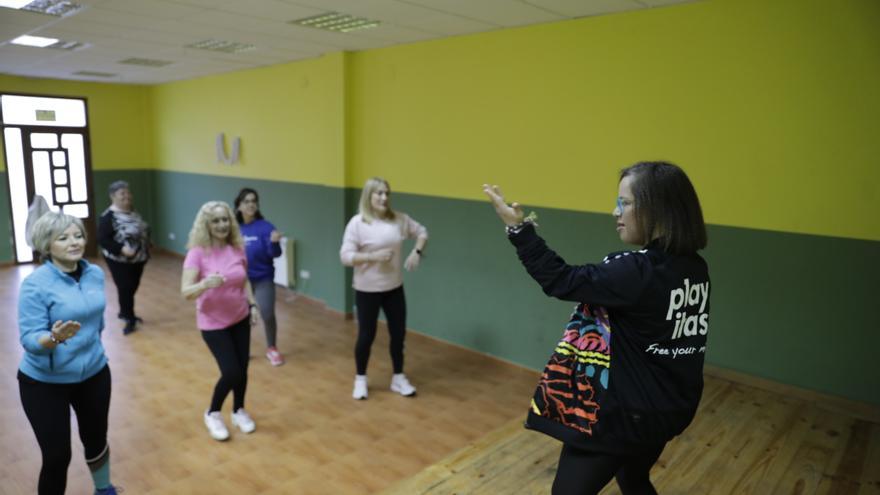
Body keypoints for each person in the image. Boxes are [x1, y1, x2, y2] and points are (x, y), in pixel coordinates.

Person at [483, 161, 710, 495]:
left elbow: (561, 280)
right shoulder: (695, 267)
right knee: (633, 479)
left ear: (657, 208)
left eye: (625, 202)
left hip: (627, 418)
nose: (615, 211)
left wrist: (518, 229)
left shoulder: (637, 272)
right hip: (670, 409)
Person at [17, 212, 119, 495]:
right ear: (47, 246)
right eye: (63, 238)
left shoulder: (94, 273)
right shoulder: (35, 285)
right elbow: (29, 339)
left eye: (78, 235)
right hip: (45, 383)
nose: (74, 242)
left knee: (96, 440)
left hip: (95, 374)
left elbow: (97, 321)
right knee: (57, 456)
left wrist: (92, 348)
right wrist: (53, 338)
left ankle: (104, 490)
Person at [340, 177, 428, 400]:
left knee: (398, 335)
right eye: (379, 193)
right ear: (369, 196)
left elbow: (422, 232)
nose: (384, 197)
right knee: (366, 336)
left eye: (387, 193)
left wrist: (416, 252)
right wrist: (372, 256)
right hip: (367, 290)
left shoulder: (399, 220)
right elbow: (345, 256)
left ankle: (398, 377)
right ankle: (360, 378)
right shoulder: (358, 223)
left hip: (394, 288)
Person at [181, 201, 259, 441]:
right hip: (213, 322)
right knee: (231, 371)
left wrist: (252, 304)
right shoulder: (197, 253)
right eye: (215, 220)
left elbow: (244, 279)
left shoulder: (237, 247)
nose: (222, 224)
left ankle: (238, 410)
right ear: (206, 225)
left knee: (243, 369)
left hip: (239, 316)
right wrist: (204, 284)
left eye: (225, 219)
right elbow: (185, 291)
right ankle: (213, 412)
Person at [234, 188, 285, 366]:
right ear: (239, 205)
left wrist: (274, 243)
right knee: (242, 316)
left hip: (263, 278)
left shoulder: (265, 227)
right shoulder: (234, 228)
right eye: (246, 201)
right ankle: (243, 349)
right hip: (240, 280)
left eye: (253, 201)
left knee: (267, 313)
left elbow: (275, 254)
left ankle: (272, 348)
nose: (251, 204)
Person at [98, 180, 150, 335]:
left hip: (139, 258)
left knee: (132, 286)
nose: (127, 196)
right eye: (122, 194)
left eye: (128, 193)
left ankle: (124, 312)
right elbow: (103, 239)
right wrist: (121, 249)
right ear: (113, 196)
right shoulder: (108, 217)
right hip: (118, 259)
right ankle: (129, 318)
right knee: (125, 287)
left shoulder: (133, 212)